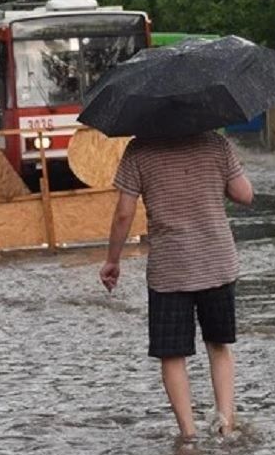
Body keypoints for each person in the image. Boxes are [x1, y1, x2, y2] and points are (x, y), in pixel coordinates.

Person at [100, 131, 254, 439]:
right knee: (219, 345)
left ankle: (189, 435)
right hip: (217, 262)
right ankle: (226, 425)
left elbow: (123, 214)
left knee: (172, 355)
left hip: (170, 270)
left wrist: (113, 260)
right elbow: (244, 194)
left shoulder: (139, 149)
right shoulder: (215, 143)